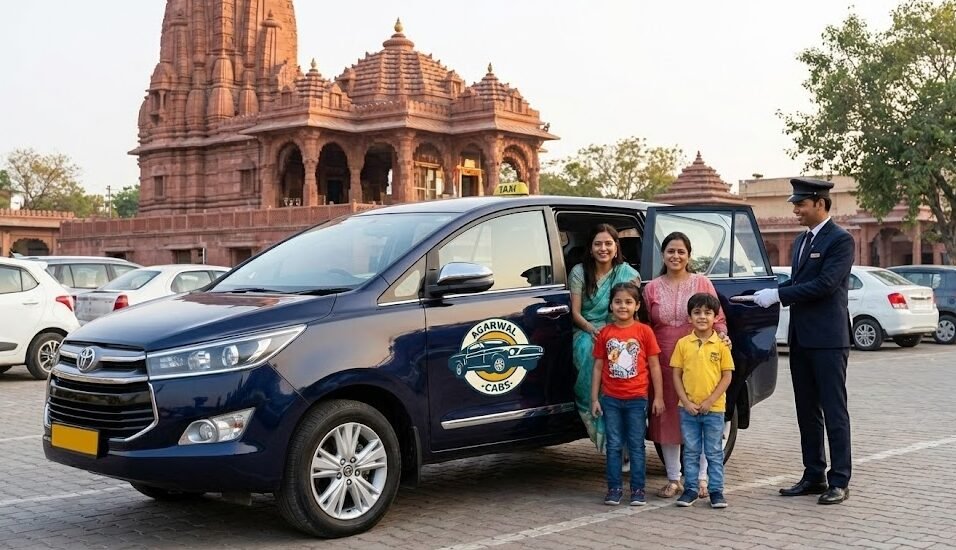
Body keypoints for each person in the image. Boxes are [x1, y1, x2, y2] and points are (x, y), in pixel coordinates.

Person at [753, 177, 854, 505]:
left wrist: (778, 295)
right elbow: (800, 282)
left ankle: (839, 480)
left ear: (821, 204)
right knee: (806, 410)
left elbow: (825, 285)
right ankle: (813, 474)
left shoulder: (841, 240)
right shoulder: (800, 242)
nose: (796, 209)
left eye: (801, 204)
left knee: (834, 411)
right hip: (801, 339)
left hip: (828, 339)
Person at [643, 232, 728, 499]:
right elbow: (645, 324)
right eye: (670, 251)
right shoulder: (651, 288)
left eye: (681, 251)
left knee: (702, 414)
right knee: (667, 416)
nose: (675, 256)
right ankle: (673, 478)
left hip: (700, 359)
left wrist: (722, 339)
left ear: (689, 255)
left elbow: (719, 319)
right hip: (663, 359)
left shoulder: (702, 283)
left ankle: (702, 480)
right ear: (663, 255)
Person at [590, 282, 664, 505]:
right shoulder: (605, 333)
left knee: (636, 445)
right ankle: (614, 489)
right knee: (613, 445)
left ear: (637, 305)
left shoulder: (644, 332)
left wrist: (658, 396)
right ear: (611, 306)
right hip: (611, 399)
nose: (623, 306)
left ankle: (638, 490)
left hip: (637, 399)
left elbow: (655, 366)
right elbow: (597, 367)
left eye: (628, 302)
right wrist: (594, 398)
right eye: (618, 302)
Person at [570, 224, 640, 453]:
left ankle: (624, 438)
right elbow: (576, 313)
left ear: (616, 247)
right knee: (591, 354)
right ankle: (604, 434)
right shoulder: (579, 272)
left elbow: (627, 309)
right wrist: (592, 330)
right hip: (586, 330)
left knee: (619, 356)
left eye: (608, 243)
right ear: (590, 248)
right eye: (598, 244)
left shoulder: (626, 274)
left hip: (618, 329)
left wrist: (613, 333)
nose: (603, 248)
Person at [671, 293, 734, 508]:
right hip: (687, 410)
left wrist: (710, 401)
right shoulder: (682, 344)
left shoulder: (721, 345)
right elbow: (676, 375)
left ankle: (716, 491)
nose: (702, 317)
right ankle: (690, 489)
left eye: (707, 313)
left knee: (714, 451)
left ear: (715, 317)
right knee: (690, 451)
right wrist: (685, 402)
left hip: (714, 410)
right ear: (689, 317)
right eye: (697, 312)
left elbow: (727, 376)